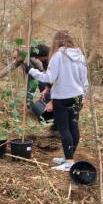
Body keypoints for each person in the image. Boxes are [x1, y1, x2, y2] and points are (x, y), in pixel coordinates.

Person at [28, 30, 88, 171]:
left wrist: (30, 70)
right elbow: (84, 81)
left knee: (64, 129)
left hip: (63, 98)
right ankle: (69, 157)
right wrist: (83, 97)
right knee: (74, 127)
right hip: (77, 97)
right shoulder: (80, 55)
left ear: (56, 42)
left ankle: (68, 163)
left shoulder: (58, 56)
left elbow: (49, 78)